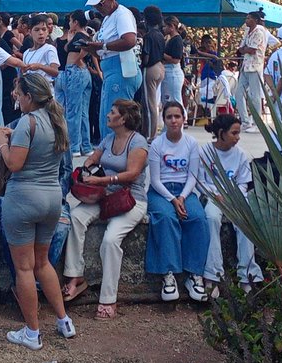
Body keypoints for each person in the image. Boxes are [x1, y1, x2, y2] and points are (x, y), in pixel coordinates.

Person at [0, 73, 77, 349]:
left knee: (24, 268)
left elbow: (14, 164)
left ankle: (31, 331)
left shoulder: (27, 123)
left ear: (29, 96)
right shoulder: (57, 120)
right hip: (52, 197)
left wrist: (1, 142)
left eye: (18, 93)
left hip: (24, 198)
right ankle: (64, 320)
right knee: (43, 263)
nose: (15, 96)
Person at [62, 98, 149, 318]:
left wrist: (103, 181)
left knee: (110, 240)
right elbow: (94, 157)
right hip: (106, 197)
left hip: (130, 200)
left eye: (112, 113)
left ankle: (109, 298)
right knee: (76, 216)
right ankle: (75, 275)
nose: (108, 115)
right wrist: (87, 168)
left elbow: (133, 173)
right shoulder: (109, 138)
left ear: (123, 119)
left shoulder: (138, 142)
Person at [146, 101, 209, 303]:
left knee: (198, 218)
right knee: (165, 218)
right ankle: (168, 274)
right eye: (169, 117)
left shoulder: (191, 144)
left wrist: (182, 197)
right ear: (163, 120)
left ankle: (194, 274)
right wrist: (173, 200)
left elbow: (192, 176)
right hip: (162, 191)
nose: (173, 120)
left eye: (177, 116)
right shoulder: (157, 145)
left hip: (185, 190)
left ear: (183, 119)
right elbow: (155, 180)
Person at [197, 113, 262, 293]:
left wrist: (233, 196)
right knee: (211, 218)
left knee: (244, 223)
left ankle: (247, 275)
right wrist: (214, 194)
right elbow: (200, 181)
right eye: (234, 133)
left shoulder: (240, 155)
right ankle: (213, 274)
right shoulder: (205, 152)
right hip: (213, 197)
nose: (237, 137)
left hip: (235, 198)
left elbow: (243, 183)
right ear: (221, 133)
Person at [79, 0, 141, 142]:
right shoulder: (108, 18)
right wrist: (94, 48)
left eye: (100, 4)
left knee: (116, 119)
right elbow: (104, 49)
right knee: (107, 116)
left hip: (121, 68)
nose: (97, 8)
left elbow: (129, 40)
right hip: (111, 68)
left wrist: (104, 46)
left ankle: (117, 155)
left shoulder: (122, 15)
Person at [60, 9, 93, 156]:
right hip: (81, 72)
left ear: (76, 22)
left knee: (73, 110)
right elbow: (67, 48)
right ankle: (85, 145)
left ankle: (74, 146)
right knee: (83, 111)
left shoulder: (82, 35)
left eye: (70, 20)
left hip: (75, 71)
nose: (69, 23)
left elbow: (85, 49)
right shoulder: (81, 35)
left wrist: (78, 59)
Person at [234, 11, 268, 132]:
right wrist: (244, 49)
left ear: (255, 20)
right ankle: (245, 121)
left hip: (255, 66)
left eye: (249, 18)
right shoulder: (247, 32)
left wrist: (245, 49)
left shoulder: (259, 32)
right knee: (238, 93)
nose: (246, 20)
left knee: (255, 95)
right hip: (245, 66)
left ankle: (257, 122)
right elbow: (241, 48)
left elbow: (252, 49)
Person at [140, 5, 167, 139]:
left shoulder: (148, 36)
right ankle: (150, 132)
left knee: (148, 104)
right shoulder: (161, 35)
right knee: (153, 101)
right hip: (160, 67)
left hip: (149, 68)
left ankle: (150, 135)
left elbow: (146, 56)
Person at [21, 14, 61, 91]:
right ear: (30, 32)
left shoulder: (49, 49)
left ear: (48, 32)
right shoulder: (26, 53)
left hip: (44, 92)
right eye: (37, 30)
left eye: (44, 29)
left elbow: (55, 72)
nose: (41, 33)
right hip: (30, 92)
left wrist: (40, 66)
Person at [160, 16, 186, 107]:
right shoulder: (169, 39)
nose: (164, 28)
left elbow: (176, 59)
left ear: (171, 27)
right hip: (168, 71)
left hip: (173, 72)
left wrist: (161, 54)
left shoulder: (177, 40)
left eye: (165, 26)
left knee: (175, 99)